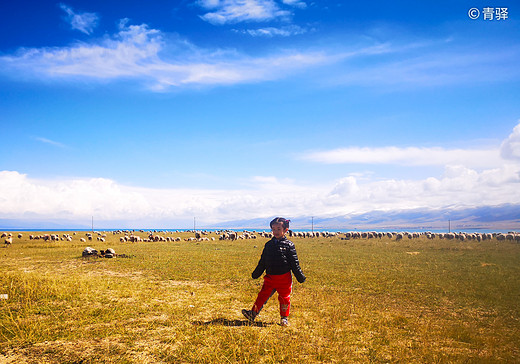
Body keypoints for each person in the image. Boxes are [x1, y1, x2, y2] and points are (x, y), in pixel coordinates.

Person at [242, 217, 306, 327]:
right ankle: (252, 313)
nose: (276, 231)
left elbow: (294, 263)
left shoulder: (289, 245)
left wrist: (299, 275)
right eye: (273, 229)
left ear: (285, 230)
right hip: (270, 277)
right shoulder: (268, 245)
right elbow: (263, 261)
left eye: (278, 229)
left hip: (284, 278)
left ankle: (284, 318)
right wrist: (257, 272)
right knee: (262, 295)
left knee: (284, 298)